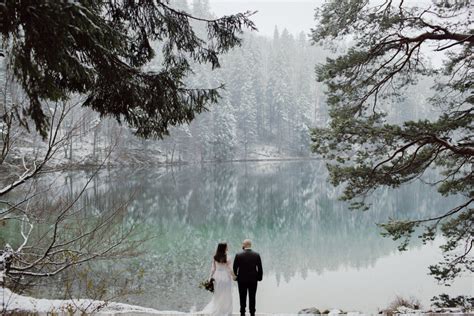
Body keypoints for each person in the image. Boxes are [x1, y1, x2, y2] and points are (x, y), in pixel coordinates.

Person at [201, 242, 234, 315]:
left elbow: (213, 269)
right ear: (224, 248)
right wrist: (234, 276)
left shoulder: (215, 257)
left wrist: (210, 278)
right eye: (227, 246)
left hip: (217, 276)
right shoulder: (228, 257)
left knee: (217, 294)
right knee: (227, 294)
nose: (228, 247)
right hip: (225, 276)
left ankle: (218, 311)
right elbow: (229, 269)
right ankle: (227, 312)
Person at [233, 239, 263, 316]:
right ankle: (252, 312)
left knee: (242, 296)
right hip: (253, 279)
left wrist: (236, 276)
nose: (242, 245)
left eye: (242, 244)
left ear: (244, 245)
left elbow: (235, 267)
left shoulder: (238, 255)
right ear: (250, 245)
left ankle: (242, 312)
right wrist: (259, 277)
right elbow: (260, 268)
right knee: (252, 296)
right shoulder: (256, 255)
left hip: (241, 279)